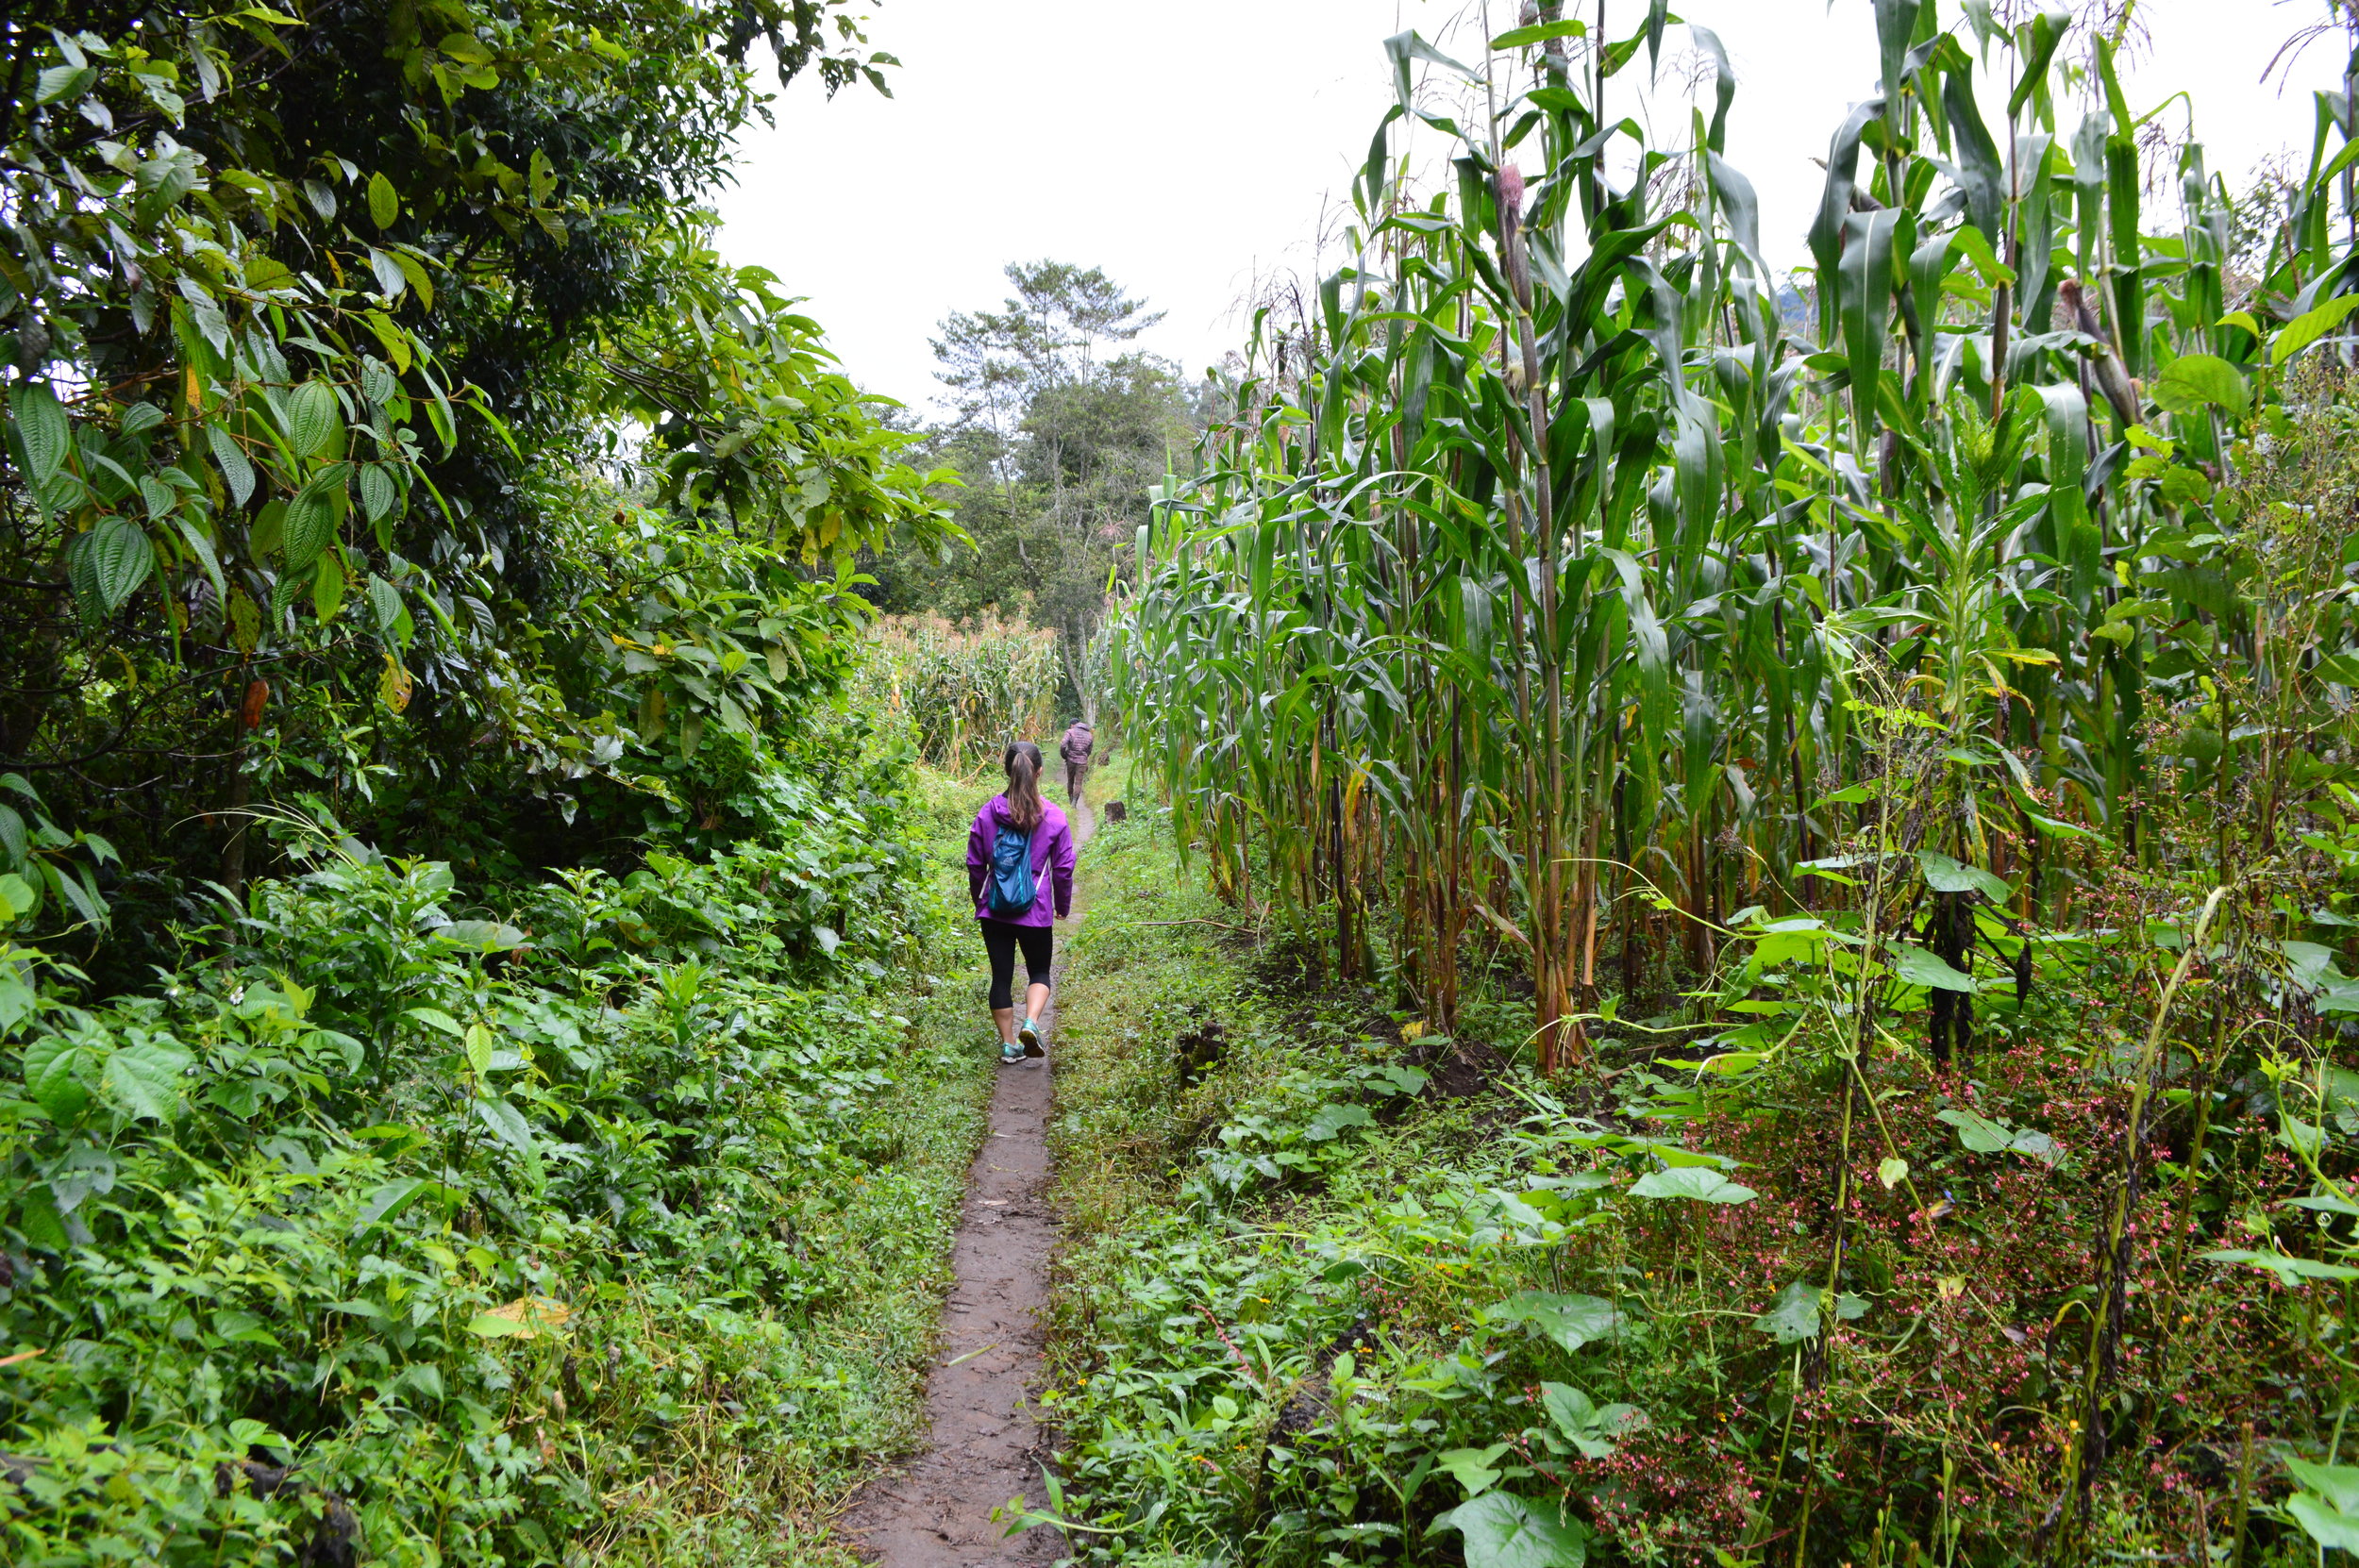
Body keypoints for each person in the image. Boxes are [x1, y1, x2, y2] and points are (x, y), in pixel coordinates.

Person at [966, 741, 1077, 1065]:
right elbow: (1064, 868)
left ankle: (1008, 1044)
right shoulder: (1054, 816)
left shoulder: (988, 812)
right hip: (1036, 910)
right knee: (1039, 970)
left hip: (995, 910)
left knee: (1000, 975)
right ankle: (1031, 1022)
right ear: (1039, 772)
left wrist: (981, 900)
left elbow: (975, 864)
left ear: (1007, 770)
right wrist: (1063, 905)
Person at [1060, 719, 1095, 807]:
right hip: (1082, 761)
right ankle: (1074, 802)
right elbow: (1089, 750)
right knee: (1078, 782)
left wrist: (1064, 755)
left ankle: (1071, 799)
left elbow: (1063, 744)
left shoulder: (1070, 732)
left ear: (1074, 725)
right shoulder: (1089, 735)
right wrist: (1084, 756)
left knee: (1070, 781)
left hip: (1071, 760)